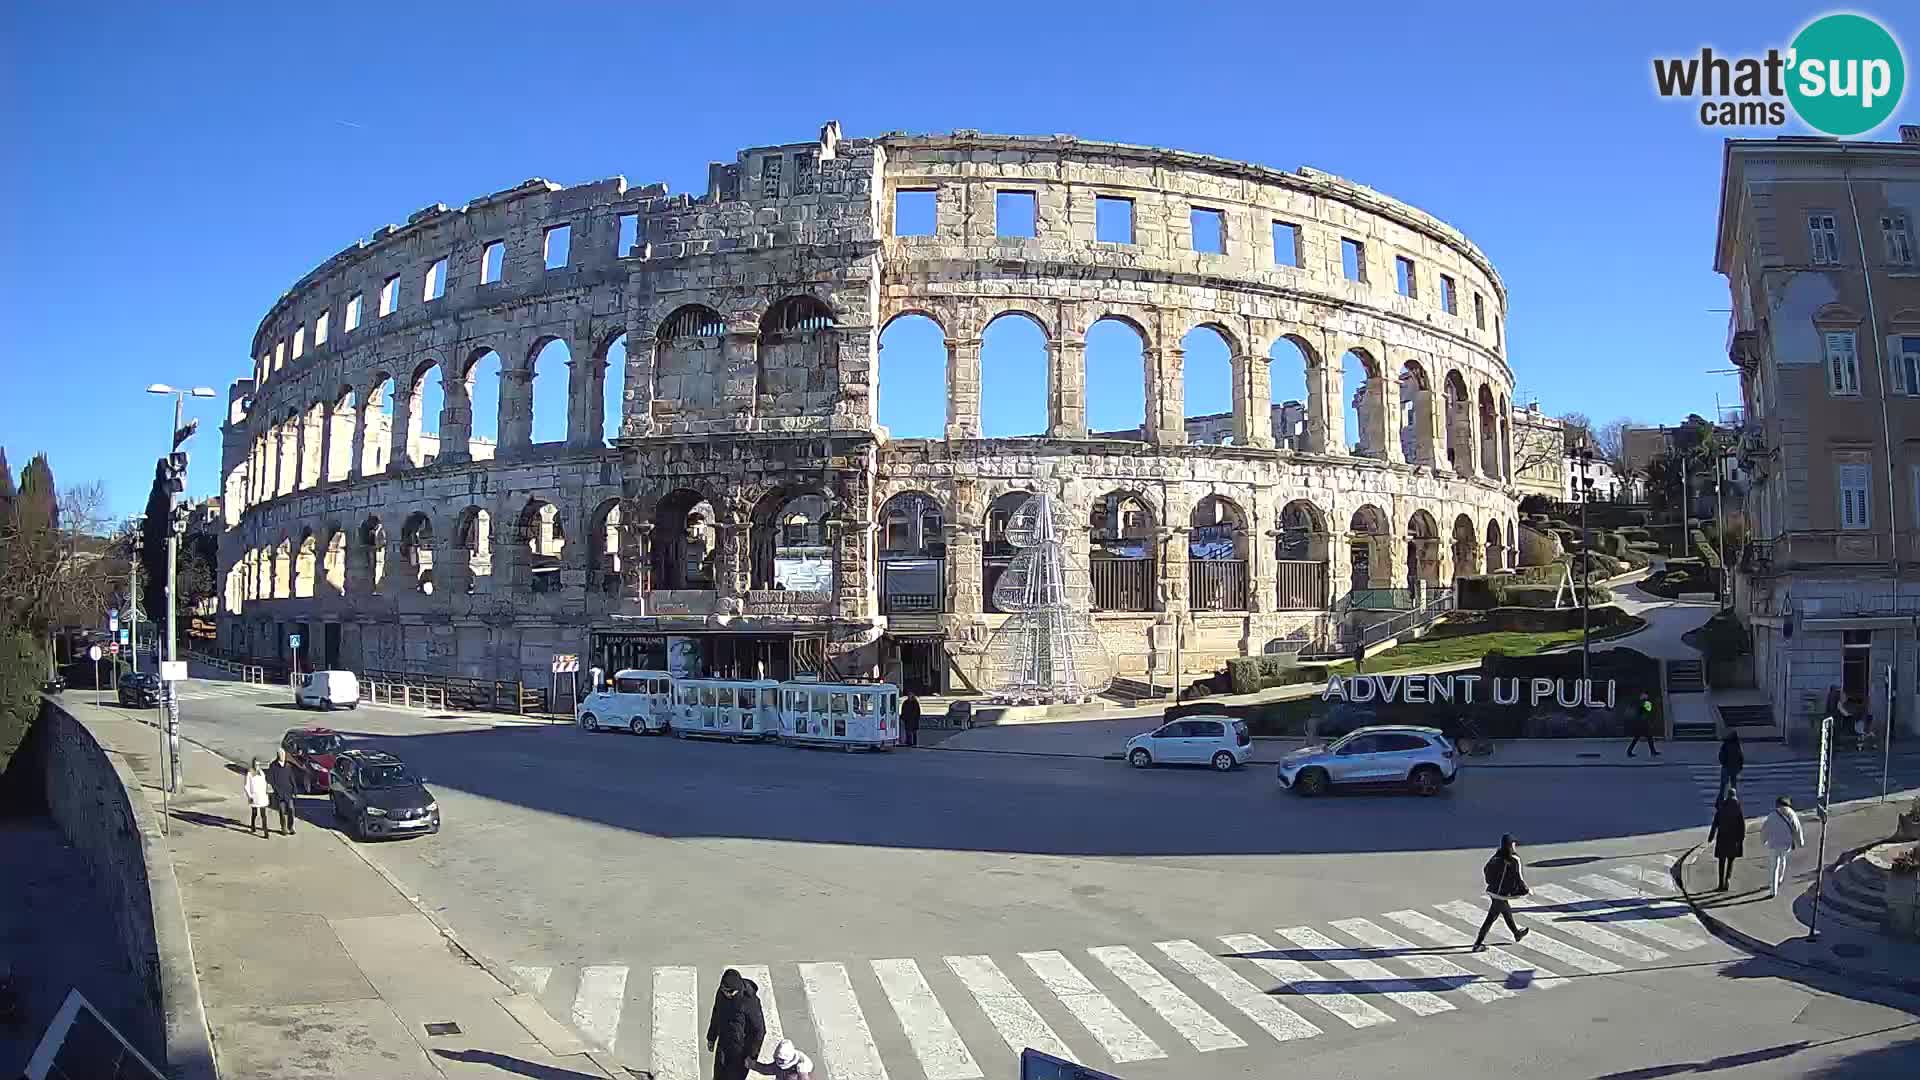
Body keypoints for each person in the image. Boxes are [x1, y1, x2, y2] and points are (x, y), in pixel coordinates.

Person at [1472, 834, 1533, 952]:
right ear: (1511, 845)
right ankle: (1477, 944)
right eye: (1514, 844)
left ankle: (1516, 933)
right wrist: (1526, 890)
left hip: (1493, 890)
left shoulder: (1497, 856)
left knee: (1505, 910)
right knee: (1491, 918)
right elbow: (1518, 878)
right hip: (1503, 893)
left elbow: (1486, 869)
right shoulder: (1515, 860)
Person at [706, 968, 766, 1080]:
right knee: (718, 1076)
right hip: (724, 1044)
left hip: (741, 1051)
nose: (727, 994)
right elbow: (716, 1014)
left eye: (730, 992)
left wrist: (752, 1056)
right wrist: (711, 1037)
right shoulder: (721, 994)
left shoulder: (750, 1002)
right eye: (724, 990)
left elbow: (759, 1031)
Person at [1760, 795, 1805, 901]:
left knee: (1774, 866)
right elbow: (1797, 828)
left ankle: (1773, 890)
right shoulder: (1792, 814)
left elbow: (1765, 829)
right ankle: (1780, 878)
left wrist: (1764, 840)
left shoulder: (1772, 815)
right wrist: (1800, 842)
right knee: (1782, 859)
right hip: (1786, 843)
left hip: (1773, 843)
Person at [1707, 785, 1745, 891]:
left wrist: (1711, 836)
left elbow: (1715, 822)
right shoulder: (1738, 807)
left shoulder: (1722, 807)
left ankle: (1720, 883)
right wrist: (1741, 839)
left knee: (1721, 861)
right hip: (1734, 839)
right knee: (1730, 861)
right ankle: (1727, 879)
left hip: (1722, 838)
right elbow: (1742, 825)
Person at [266, 750, 297, 836]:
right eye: (280, 754)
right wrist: (275, 789)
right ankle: (283, 828)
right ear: (277, 755)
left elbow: (292, 778)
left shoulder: (288, 766)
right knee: (282, 811)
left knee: (291, 809)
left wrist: (295, 789)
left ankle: (290, 827)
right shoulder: (273, 766)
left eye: (283, 754)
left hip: (288, 792)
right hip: (279, 793)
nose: (282, 756)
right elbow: (270, 779)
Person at [243, 759, 271, 838]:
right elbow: (246, 786)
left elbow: (264, 783)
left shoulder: (262, 773)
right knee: (254, 813)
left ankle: (266, 832)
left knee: (263, 815)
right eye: (256, 764)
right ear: (253, 765)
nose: (257, 766)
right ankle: (252, 826)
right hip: (254, 797)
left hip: (262, 797)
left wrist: (267, 790)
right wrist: (250, 796)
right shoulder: (250, 773)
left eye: (258, 764)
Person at [1627, 692, 1660, 757]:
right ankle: (1629, 751)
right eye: (1645, 695)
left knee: (1647, 737)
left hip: (1642, 723)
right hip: (1642, 724)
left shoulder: (1642, 703)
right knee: (1638, 738)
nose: (1647, 696)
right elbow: (1647, 710)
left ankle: (1652, 751)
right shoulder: (1642, 703)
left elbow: (1647, 711)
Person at [1717, 730, 1744, 795]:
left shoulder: (1726, 744)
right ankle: (1733, 799)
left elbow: (1721, 755)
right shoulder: (1737, 745)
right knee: (1733, 784)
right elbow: (1741, 756)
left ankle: (1721, 799)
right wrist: (1740, 766)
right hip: (1735, 767)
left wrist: (1723, 763)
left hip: (1726, 767)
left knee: (1723, 785)